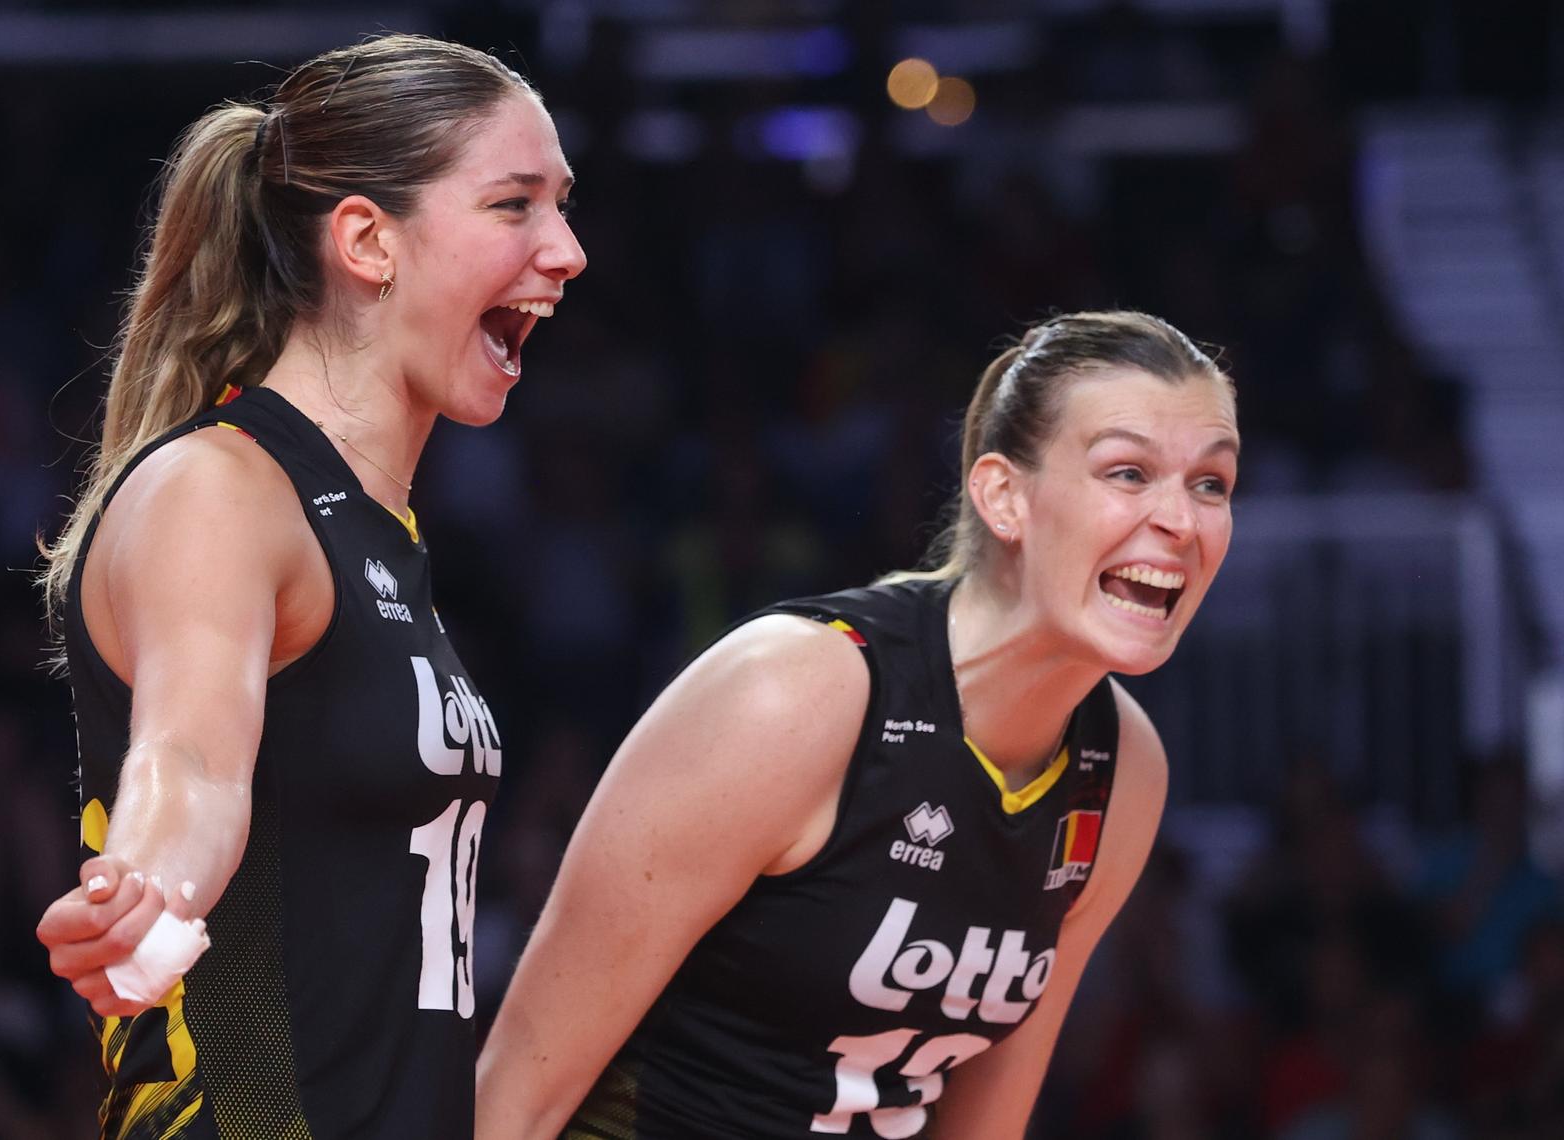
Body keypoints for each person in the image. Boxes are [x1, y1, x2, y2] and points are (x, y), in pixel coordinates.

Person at [477, 311, 1239, 1139]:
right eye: (1128, 473)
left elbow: (985, 1126)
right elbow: (515, 1094)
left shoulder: (1123, 766)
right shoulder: (794, 693)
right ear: (1003, 496)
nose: (1182, 521)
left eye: (1211, 484)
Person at [31, 33, 585, 1139]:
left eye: (562, 206)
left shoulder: (378, 528)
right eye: (515, 205)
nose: (566, 250)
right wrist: (148, 882)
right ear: (369, 241)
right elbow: (187, 755)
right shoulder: (221, 488)